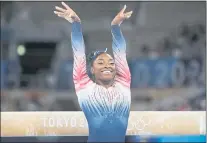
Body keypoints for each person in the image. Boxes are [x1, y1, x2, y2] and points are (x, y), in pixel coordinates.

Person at [54, 2, 133, 142]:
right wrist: (76, 24)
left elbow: (120, 53)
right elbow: (78, 53)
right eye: (101, 63)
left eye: (111, 63)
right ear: (92, 70)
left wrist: (115, 27)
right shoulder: (84, 86)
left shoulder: (123, 82)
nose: (107, 65)